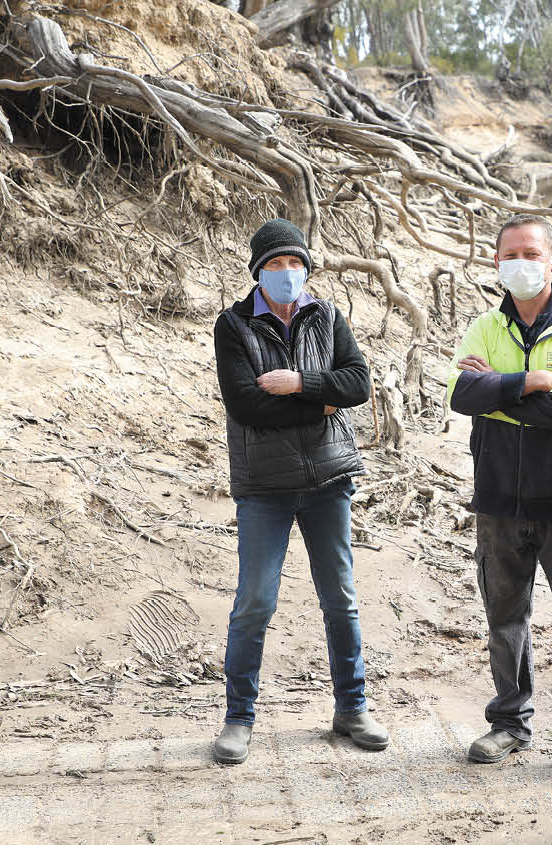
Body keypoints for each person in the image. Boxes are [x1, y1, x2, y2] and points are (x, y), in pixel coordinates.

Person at [445, 213, 552, 786]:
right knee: (505, 616)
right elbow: (459, 394)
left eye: (532, 253)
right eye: (510, 254)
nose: (521, 263)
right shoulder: (484, 327)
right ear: (496, 262)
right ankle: (510, 723)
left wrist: (495, 388)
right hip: (498, 499)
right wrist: (531, 381)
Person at [211, 218, 388, 763]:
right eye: (275, 264)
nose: (287, 272)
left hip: (329, 480)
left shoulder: (327, 315)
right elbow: (245, 405)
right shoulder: (233, 325)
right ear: (258, 271)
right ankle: (239, 717)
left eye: (295, 263)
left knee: (341, 599)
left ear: (307, 268)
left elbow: (358, 383)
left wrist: (299, 383)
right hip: (264, 486)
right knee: (255, 601)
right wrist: (323, 402)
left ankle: (352, 708)